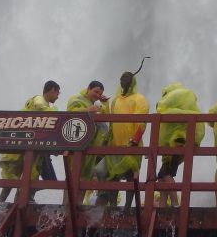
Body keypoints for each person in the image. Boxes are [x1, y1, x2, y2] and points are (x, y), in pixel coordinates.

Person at [0, 80, 61, 202]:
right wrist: (57, 113)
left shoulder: (45, 106)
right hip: (24, 145)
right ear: (52, 90)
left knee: (21, 177)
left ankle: (19, 199)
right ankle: (5, 202)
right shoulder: (39, 99)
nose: (58, 97)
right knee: (13, 178)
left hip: (30, 146)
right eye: (58, 93)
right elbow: (39, 106)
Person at [104, 65, 149, 208]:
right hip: (115, 144)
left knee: (131, 175)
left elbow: (141, 122)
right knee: (113, 175)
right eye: (122, 79)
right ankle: (112, 205)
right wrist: (105, 104)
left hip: (132, 144)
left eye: (127, 79)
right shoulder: (115, 100)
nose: (124, 81)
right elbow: (110, 120)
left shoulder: (139, 99)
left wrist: (135, 139)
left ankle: (128, 206)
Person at [155, 82, 205, 207]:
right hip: (181, 142)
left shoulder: (172, 102)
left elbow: (160, 109)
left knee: (166, 174)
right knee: (162, 177)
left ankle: (175, 204)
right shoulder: (187, 101)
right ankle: (162, 205)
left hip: (176, 143)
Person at [67, 80, 110, 202]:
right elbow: (70, 114)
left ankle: (78, 205)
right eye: (95, 92)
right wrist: (87, 110)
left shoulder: (94, 104)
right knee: (73, 176)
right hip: (76, 145)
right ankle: (67, 206)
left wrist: (104, 103)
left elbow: (106, 118)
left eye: (99, 93)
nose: (97, 95)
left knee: (85, 178)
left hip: (91, 147)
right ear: (88, 89)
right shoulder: (76, 99)